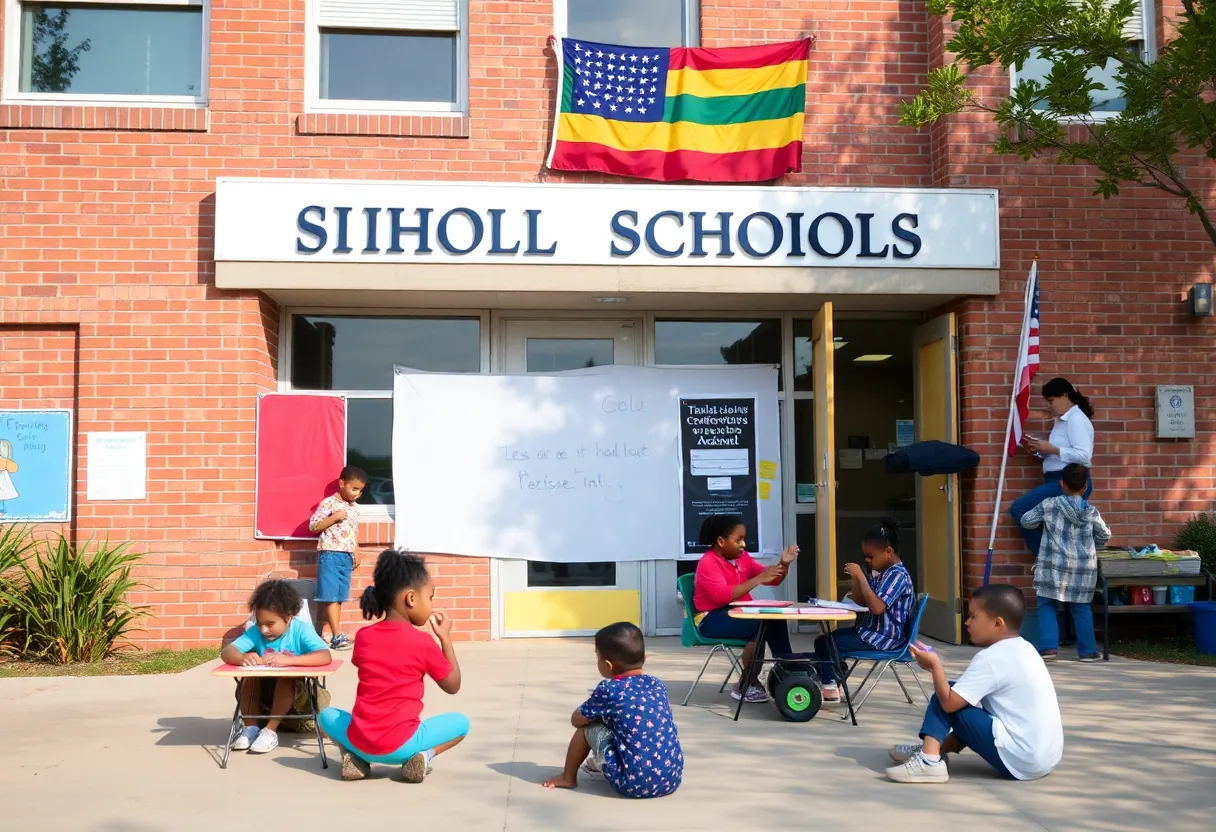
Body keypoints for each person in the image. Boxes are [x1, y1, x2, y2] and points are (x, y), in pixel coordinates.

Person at [884, 584, 1063, 784]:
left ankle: (929, 762)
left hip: (1022, 760)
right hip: (1046, 758)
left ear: (997, 623)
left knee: (947, 695)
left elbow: (949, 704)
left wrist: (935, 667)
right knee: (960, 693)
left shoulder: (991, 658)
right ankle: (935, 747)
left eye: (973, 616)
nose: (967, 622)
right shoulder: (1026, 649)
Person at [317, 549, 469, 783]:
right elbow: (453, 685)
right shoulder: (423, 642)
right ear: (410, 599)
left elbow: (363, 664)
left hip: (362, 741)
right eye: (430, 598)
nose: (431, 605)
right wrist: (445, 639)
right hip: (403, 745)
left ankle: (356, 758)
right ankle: (424, 757)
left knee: (326, 715)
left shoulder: (364, 637)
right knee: (461, 724)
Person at [542, 622, 683, 797]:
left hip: (631, 784)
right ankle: (600, 763)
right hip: (671, 780)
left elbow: (576, 720)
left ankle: (567, 777)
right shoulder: (657, 685)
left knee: (587, 728)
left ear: (608, 665)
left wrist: (593, 715)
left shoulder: (609, 689)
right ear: (644, 659)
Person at [692, 514, 800, 703]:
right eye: (738, 539)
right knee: (758, 627)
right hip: (711, 617)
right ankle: (746, 683)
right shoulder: (708, 563)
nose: (743, 545)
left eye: (744, 539)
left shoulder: (743, 559)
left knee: (775, 620)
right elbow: (722, 595)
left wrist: (784, 563)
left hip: (737, 612)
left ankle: (788, 671)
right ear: (720, 541)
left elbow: (773, 579)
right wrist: (757, 580)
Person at [219, 579, 332, 754]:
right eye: (259, 624)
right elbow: (227, 652)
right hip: (264, 701)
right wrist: (243, 658)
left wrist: (289, 661)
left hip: (297, 702)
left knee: (285, 678)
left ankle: (270, 731)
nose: (264, 630)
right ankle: (251, 728)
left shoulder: (301, 630)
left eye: (270, 624)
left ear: (288, 617)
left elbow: (324, 656)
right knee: (250, 678)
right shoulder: (255, 632)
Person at [814, 519, 915, 703]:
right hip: (869, 632)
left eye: (871, 556)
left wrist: (861, 575)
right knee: (824, 641)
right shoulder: (883, 573)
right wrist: (856, 579)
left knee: (828, 644)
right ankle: (835, 677)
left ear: (888, 552)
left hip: (883, 639)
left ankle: (830, 687)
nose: (868, 561)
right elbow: (861, 600)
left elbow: (876, 607)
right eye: (865, 557)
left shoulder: (897, 575)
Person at [1019, 463, 1111, 662]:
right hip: (1083, 568)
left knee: (1047, 603)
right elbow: (1105, 535)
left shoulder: (1049, 505)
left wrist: (1043, 523)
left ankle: (1049, 648)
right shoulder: (1091, 512)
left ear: (1062, 483)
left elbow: (1026, 520)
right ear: (1085, 487)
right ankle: (1088, 651)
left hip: (1052, 565)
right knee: (1081, 607)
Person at [1010, 378, 1096, 556]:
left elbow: (1084, 456)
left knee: (1020, 509)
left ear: (1065, 396)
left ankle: (1048, 557)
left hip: (1068, 481)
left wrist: (1052, 449)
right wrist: (1038, 450)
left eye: (1051, 401)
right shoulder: (1061, 421)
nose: (1048, 406)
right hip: (1056, 479)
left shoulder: (1076, 419)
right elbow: (1058, 454)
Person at [308, 465, 368, 650]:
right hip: (330, 554)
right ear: (342, 483)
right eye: (354, 488)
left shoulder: (354, 508)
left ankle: (325, 634)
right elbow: (313, 526)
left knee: (339, 597)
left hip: (346, 556)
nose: (357, 493)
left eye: (360, 490)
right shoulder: (329, 504)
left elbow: (353, 532)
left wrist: (356, 550)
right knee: (330, 596)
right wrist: (333, 518)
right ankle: (336, 636)